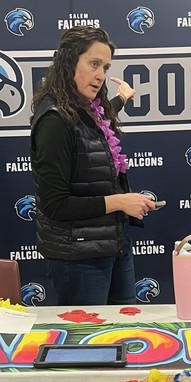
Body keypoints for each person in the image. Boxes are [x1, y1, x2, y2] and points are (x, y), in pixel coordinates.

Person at [30, 24, 157, 308]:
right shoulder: (54, 122)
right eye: (93, 64)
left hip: (114, 245)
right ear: (69, 62)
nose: (100, 75)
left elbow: (103, 116)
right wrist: (121, 201)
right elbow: (55, 205)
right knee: (88, 345)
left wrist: (123, 96)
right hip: (79, 257)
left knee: (122, 331)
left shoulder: (86, 110)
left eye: (106, 67)